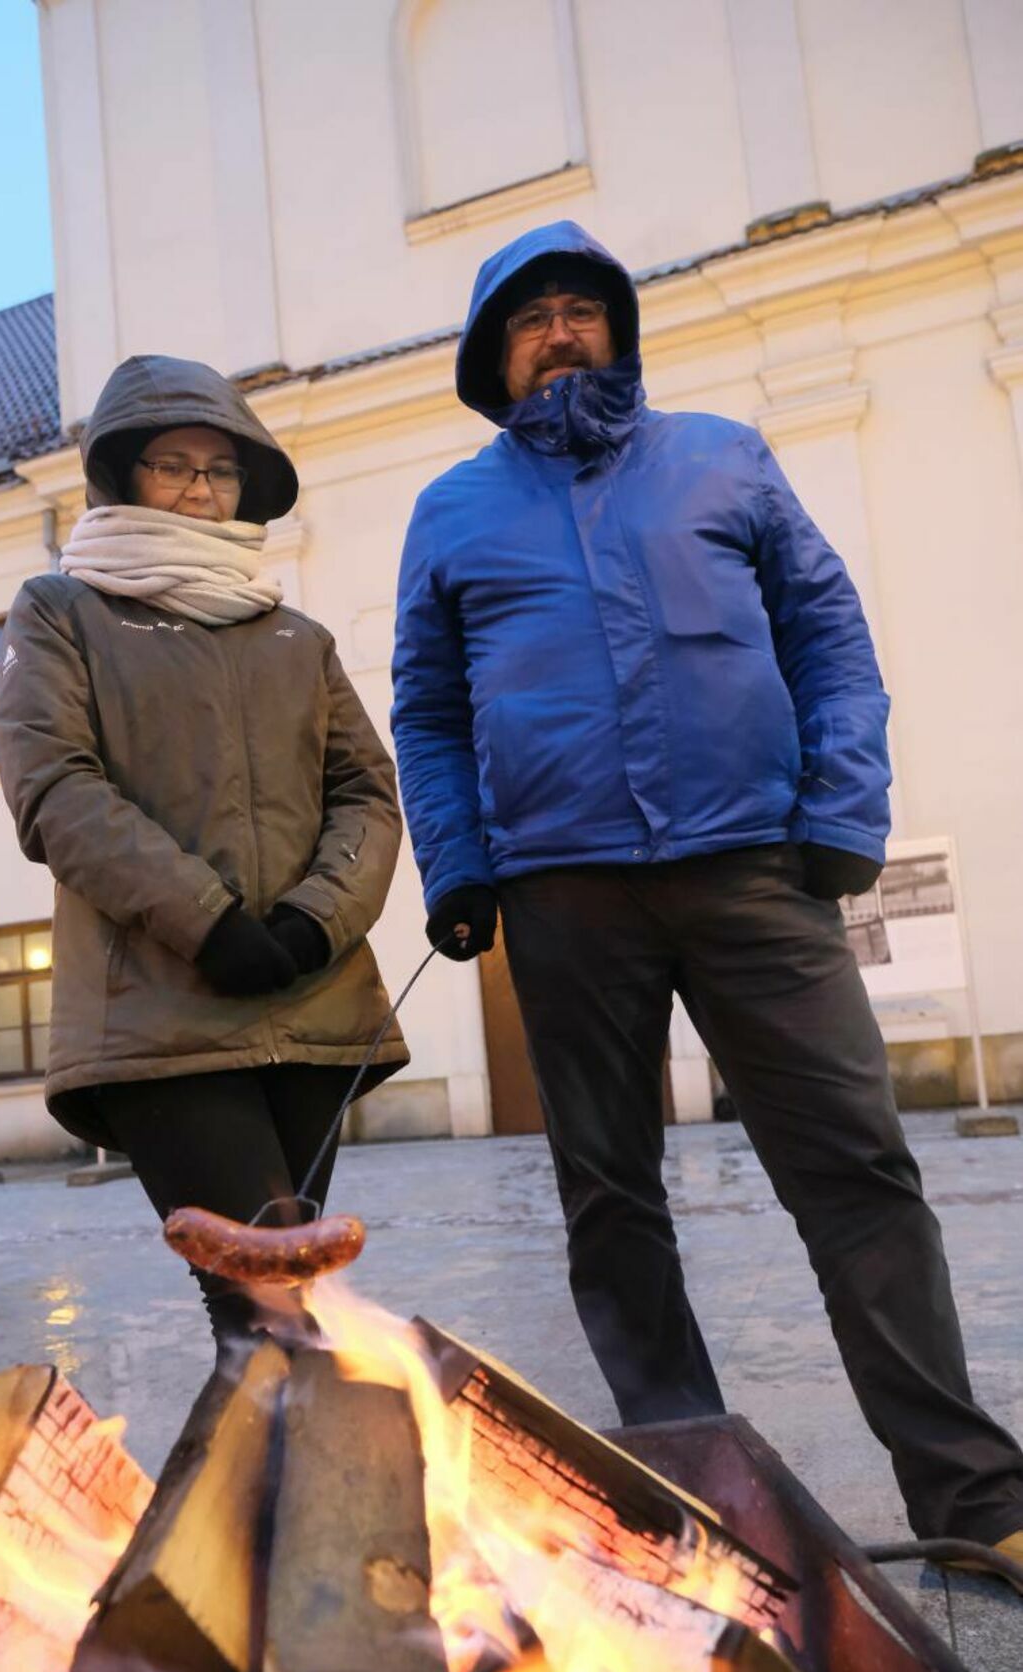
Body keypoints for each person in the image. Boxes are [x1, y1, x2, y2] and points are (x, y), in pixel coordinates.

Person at [391, 220, 1023, 1575]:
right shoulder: (451, 513)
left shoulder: (723, 458)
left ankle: (975, 1502)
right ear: (493, 358)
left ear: (618, 329)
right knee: (611, 1199)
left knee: (858, 1169)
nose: (558, 329)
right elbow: (430, 712)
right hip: (565, 894)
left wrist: (845, 809)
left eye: (580, 308)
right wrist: (455, 866)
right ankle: (693, 1503)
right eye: (529, 317)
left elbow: (831, 636)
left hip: (755, 868)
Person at [0, 354, 406, 1343]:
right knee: (264, 1291)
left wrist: (318, 915)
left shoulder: (293, 635)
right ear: (123, 473)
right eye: (174, 464)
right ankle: (288, 1491)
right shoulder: (63, 612)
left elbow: (367, 791)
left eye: (220, 470)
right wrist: (208, 919)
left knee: (283, 1292)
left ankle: (287, 1490)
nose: (199, 487)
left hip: (310, 1001)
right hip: (162, 1011)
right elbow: (54, 787)